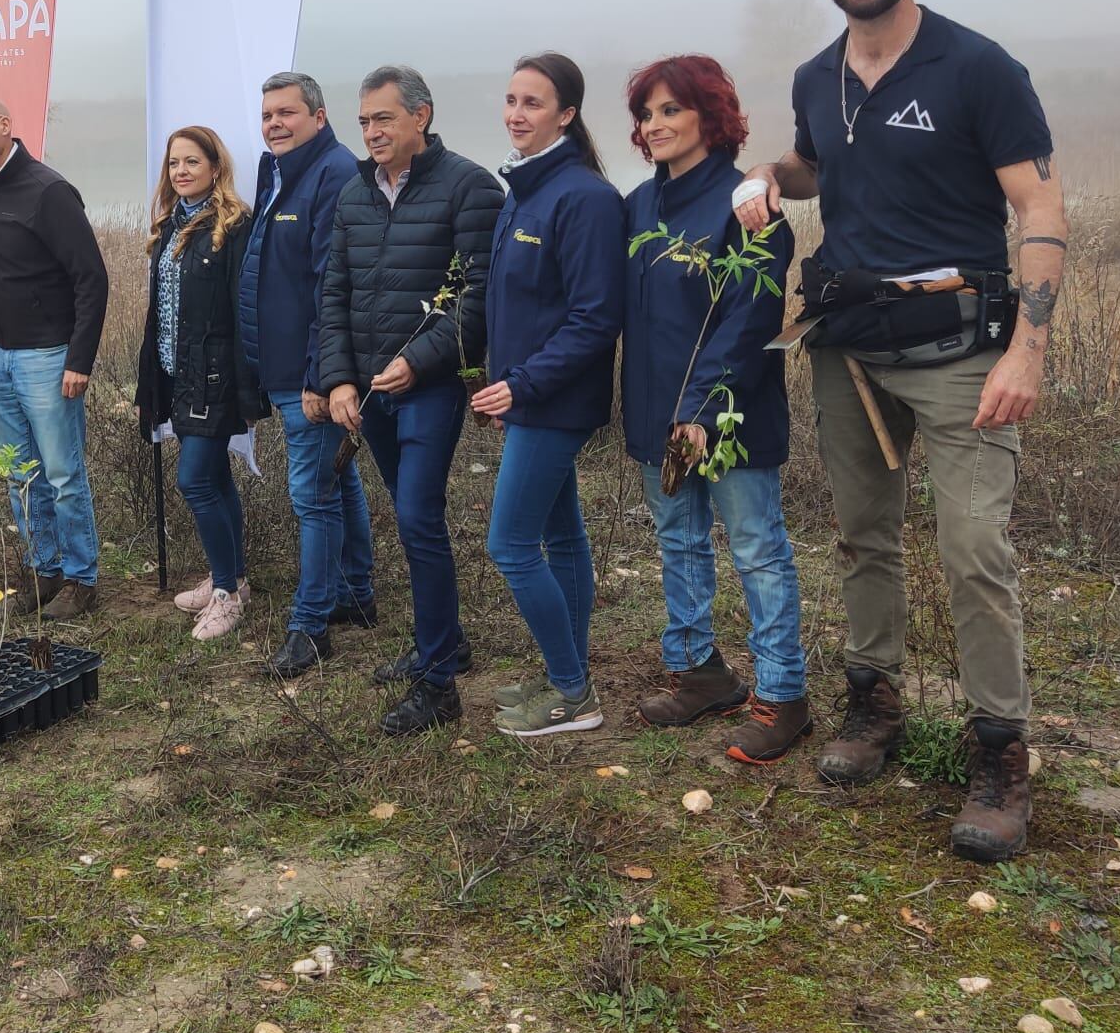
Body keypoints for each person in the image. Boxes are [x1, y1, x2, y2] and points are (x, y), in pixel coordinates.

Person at [736, 0, 1066, 861]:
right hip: (847, 345)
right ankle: (870, 709)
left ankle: (998, 755)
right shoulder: (814, 77)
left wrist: (1028, 347)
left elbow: (1038, 210)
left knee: (973, 551)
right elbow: (812, 166)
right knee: (861, 539)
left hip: (963, 351)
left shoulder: (975, 69)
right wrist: (766, 181)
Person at [621, 55, 809, 763]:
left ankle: (783, 695)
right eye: (647, 113)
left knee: (757, 550)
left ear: (711, 115)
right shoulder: (639, 206)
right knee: (678, 540)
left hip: (728, 414)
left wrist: (702, 408)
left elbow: (749, 316)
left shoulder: (745, 203)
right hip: (654, 411)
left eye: (672, 109)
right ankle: (700, 672)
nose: (655, 124)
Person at [321, 65, 504, 735]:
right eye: (364, 120)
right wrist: (338, 378)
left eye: (384, 119)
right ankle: (444, 641)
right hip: (370, 392)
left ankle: (439, 685)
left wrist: (416, 360)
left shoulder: (470, 188)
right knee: (405, 512)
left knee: (421, 517)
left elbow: (477, 298)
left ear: (420, 116)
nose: (370, 132)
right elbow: (334, 294)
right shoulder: (352, 196)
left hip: (429, 386)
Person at [471, 54, 624, 737]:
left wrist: (523, 384)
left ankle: (573, 693)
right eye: (510, 100)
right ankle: (567, 668)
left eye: (533, 103)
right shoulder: (525, 192)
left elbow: (596, 316)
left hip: (554, 401)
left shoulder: (583, 197)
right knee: (562, 538)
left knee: (510, 545)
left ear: (566, 114)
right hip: (527, 398)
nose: (516, 114)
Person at [0, 97, 110, 620]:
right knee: (18, 472)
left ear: (5, 124)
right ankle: (44, 569)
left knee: (63, 473)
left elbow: (92, 278)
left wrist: (79, 359)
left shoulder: (49, 191)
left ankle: (82, 579)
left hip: (49, 355)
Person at [238, 73, 374, 679]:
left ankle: (310, 626)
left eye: (286, 113)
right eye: (267, 114)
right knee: (336, 482)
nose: (273, 124)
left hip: (308, 373)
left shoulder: (334, 173)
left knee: (311, 496)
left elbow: (331, 287)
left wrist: (322, 375)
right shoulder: (280, 171)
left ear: (319, 117)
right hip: (284, 366)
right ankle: (355, 592)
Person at [138, 126, 258, 641]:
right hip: (175, 376)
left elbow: (242, 309)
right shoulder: (169, 226)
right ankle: (234, 579)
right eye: (173, 164)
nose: (181, 172)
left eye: (191, 162)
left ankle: (227, 597)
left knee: (194, 481)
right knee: (215, 480)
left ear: (215, 167)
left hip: (215, 378)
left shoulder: (233, 226)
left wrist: (245, 386)